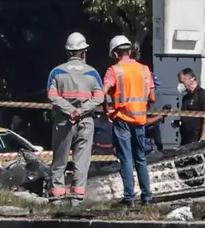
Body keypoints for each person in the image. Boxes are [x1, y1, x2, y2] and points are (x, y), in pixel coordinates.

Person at [46, 32, 104, 206]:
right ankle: (77, 200)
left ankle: (57, 198)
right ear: (84, 52)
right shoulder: (93, 73)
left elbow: (52, 96)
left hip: (64, 121)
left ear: (68, 52)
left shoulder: (56, 72)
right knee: (82, 161)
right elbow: (99, 97)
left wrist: (70, 110)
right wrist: (81, 110)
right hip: (85, 121)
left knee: (59, 160)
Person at [102, 35, 156, 207]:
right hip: (140, 119)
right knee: (141, 158)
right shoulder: (144, 69)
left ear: (115, 54)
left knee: (126, 158)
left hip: (123, 120)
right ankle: (147, 197)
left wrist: (107, 110)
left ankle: (129, 198)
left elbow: (103, 92)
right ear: (130, 51)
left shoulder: (114, 70)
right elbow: (152, 98)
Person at [173, 68, 205, 146]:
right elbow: (186, 117)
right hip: (185, 138)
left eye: (182, 82)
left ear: (190, 80)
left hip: (195, 138)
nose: (180, 84)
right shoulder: (186, 98)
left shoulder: (202, 95)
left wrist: (202, 139)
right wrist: (179, 122)